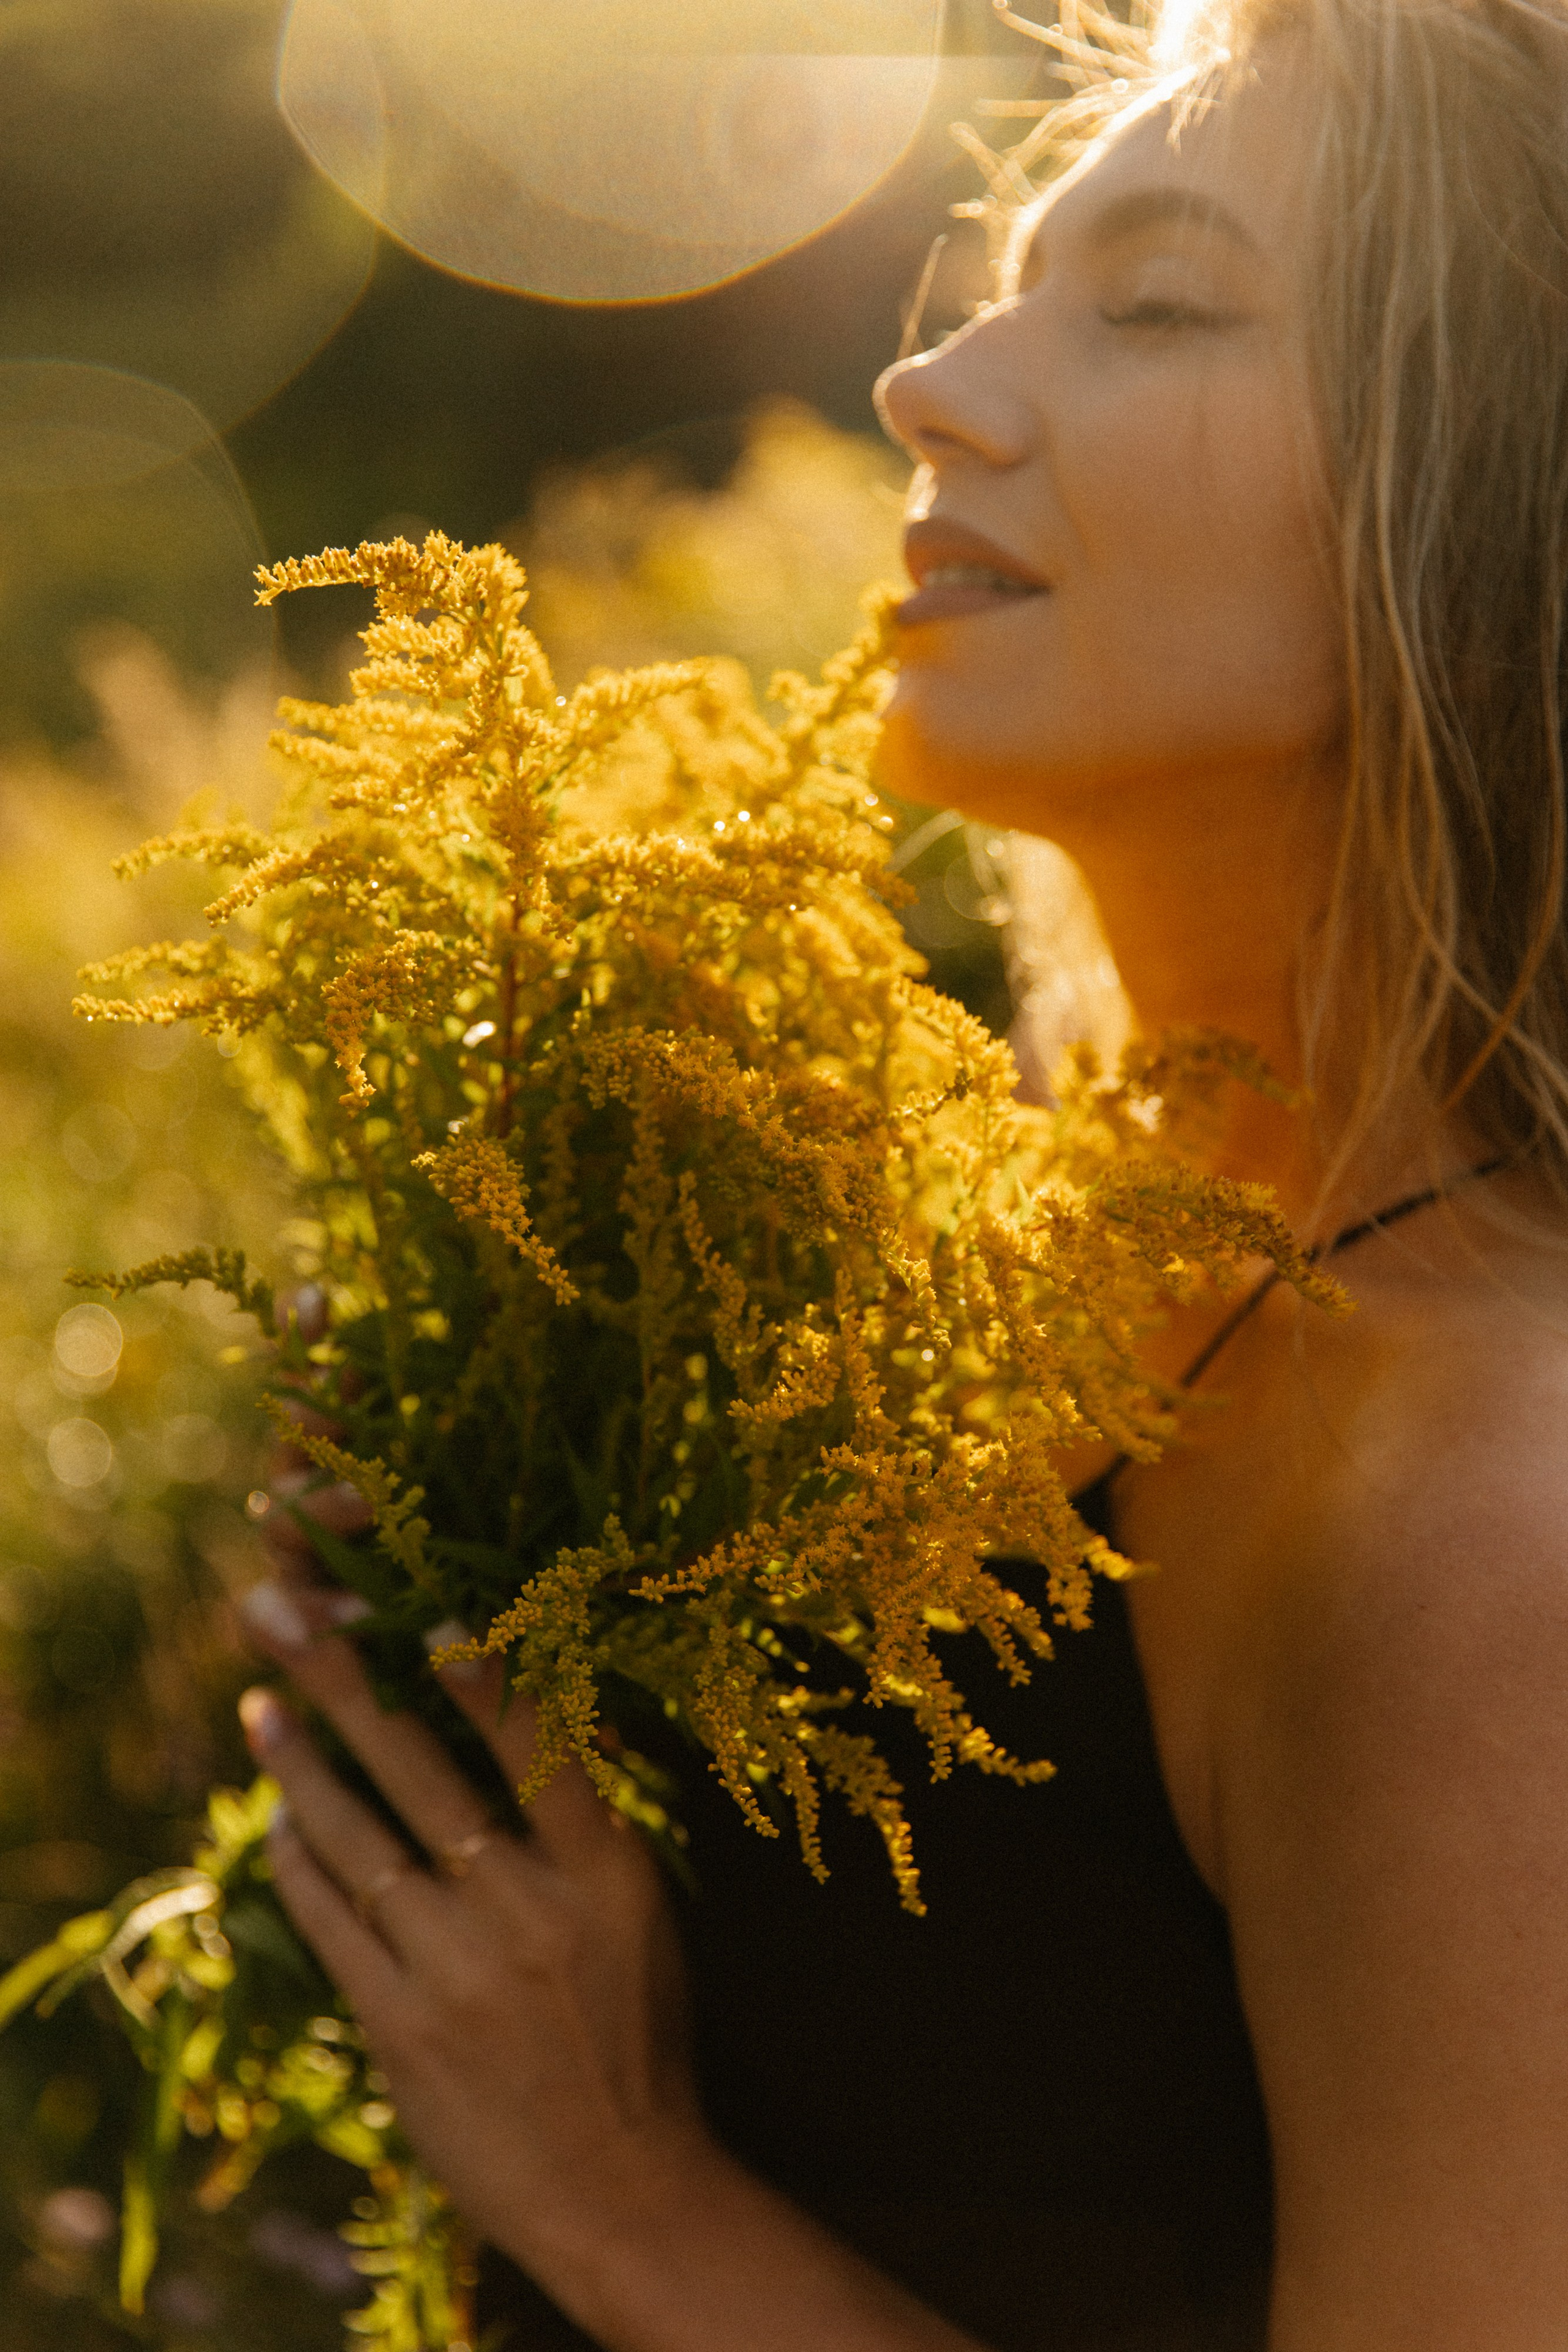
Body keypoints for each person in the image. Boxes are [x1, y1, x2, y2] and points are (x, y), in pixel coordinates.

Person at [234, 0, 1568, 2343]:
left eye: (1152, 303)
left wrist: (618, 2184)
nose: (928, 389)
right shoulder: (962, 1190)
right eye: (998, 287)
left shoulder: (1488, 1525)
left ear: (1484, 487)